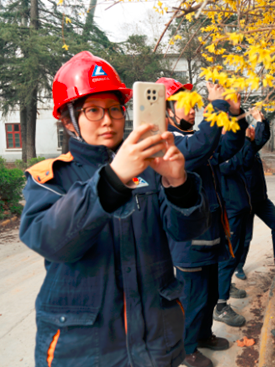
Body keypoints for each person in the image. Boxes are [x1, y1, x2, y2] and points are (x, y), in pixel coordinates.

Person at [19, 51, 211, 367]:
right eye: (93, 110)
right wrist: (113, 178)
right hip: (84, 350)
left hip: (155, 341)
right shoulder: (50, 178)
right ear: (68, 120)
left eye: (114, 109)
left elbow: (187, 232)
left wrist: (179, 183)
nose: (107, 120)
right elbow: (51, 241)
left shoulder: (152, 170)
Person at [156, 77, 248, 367]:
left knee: (207, 295)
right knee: (192, 298)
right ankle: (185, 349)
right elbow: (201, 146)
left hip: (210, 233)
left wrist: (235, 115)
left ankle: (204, 334)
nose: (193, 110)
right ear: (167, 110)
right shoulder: (167, 142)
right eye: (186, 105)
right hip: (189, 240)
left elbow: (227, 146)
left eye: (195, 105)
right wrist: (217, 105)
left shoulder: (194, 138)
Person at [235, 109, 275, 280]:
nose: (251, 130)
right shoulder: (238, 147)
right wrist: (248, 138)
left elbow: (263, 137)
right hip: (245, 201)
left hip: (260, 199)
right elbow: (245, 160)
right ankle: (238, 267)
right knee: (245, 238)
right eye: (249, 129)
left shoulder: (251, 145)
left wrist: (262, 120)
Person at [216, 126, 257, 318]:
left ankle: (226, 287)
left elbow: (246, 162)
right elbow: (231, 165)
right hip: (229, 210)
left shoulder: (233, 147)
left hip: (240, 208)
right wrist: (247, 142)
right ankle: (220, 305)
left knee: (237, 251)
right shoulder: (217, 148)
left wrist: (249, 142)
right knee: (228, 256)